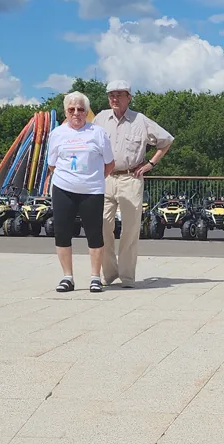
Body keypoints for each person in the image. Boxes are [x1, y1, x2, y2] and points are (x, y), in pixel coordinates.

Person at [94, 80, 174, 288]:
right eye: (111, 94)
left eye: (119, 94)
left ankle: (127, 276)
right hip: (105, 178)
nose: (114, 98)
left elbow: (166, 141)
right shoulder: (100, 118)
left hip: (131, 178)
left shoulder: (140, 121)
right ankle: (109, 273)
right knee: (102, 225)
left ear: (128, 97)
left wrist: (150, 164)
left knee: (129, 229)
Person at [48, 92, 115, 293]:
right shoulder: (57, 134)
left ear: (86, 112)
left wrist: (93, 179)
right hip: (63, 189)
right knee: (62, 232)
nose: (76, 113)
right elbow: (52, 165)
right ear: (65, 111)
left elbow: (109, 164)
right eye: (71, 109)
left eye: (80, 109)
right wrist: (69, 178)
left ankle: (95, 277)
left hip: (92, 190)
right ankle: (67, 277)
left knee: (94, 233)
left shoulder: (98, 133)